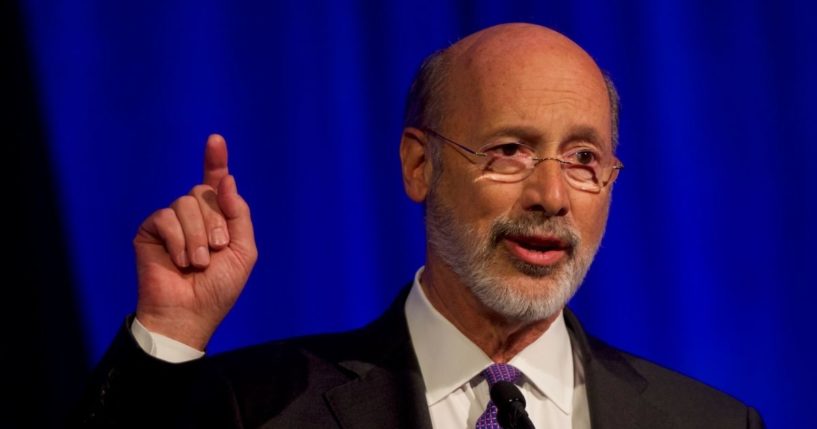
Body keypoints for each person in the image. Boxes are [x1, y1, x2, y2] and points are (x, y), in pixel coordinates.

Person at [77, 23, 764, 428]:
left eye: (584, 159)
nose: (552, 194)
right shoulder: (260, 408)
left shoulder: (709, 422)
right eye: (509, 151)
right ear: (418, 165)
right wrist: (168, 334)